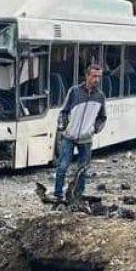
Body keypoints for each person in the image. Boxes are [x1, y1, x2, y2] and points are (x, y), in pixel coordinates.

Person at [52, 63, 107, 202]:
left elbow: (102, 117)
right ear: (87, 76)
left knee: (83, 169)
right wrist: (64, 127)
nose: (97, 80)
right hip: (69, 136)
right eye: (94, 76)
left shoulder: (100, 96)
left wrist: (94, 129)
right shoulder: (74, 91)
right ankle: (58, 194)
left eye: (99, 77)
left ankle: (78, 195)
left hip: (86, 138)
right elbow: (64, 111)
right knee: (63, 166)